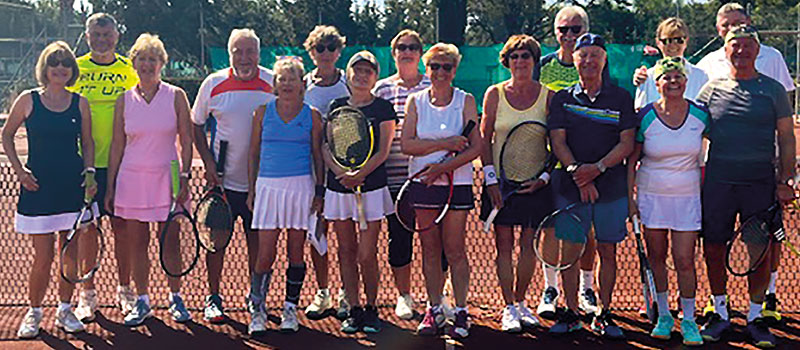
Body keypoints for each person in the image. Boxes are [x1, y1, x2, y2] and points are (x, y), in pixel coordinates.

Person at [696, 25, 795, 349]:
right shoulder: (711, 91)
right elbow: (689, 129)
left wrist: (785, 180)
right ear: (726, 52)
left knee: (759, 252)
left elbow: (786, 136)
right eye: (734, 46)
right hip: (718, 183)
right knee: (713, 246)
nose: (741, 51)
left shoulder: (774, 90)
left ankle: (755, 317)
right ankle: (720, 311)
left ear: (757, 50)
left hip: (760, 184)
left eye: (747, 46)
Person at [3, 41, 96, 338]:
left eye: (65, 63)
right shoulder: (28, 100)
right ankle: (34, 313)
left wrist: (90, 174)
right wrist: (19, 171)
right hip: (38, 187)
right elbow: (6, 135)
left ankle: (64, 310)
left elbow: (88, 142)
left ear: (72, 70)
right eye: (54, 63)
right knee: (43, 257)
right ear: (46, 68)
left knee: (69, 255)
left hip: (71, 186)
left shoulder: (80, 102)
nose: (60, 68)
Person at [547, 33, 635, 339]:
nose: (588, 60)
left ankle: (604, 313)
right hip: (570, 186)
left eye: (595, 54)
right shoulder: (562, 98)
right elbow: (557, 141)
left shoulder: (622, 98)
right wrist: (576, 173)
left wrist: (595, 170)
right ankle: (570, 312)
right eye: (583, 55)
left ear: (604, 59)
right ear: (574, 59)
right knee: (569, 251)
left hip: (610, 186)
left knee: (607, 251)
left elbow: (626, 143)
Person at [105, 33, 193, 327]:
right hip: (131, 178)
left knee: (170, 241)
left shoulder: (177, 95)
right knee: (137, 243)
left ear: (161, 63)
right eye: (141, 59)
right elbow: (118, 144)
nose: (147, 64)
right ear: (134, 63)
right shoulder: (123, 100)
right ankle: (142, 301)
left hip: (168, 176)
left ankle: (176, 297)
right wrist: (111, 184)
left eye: (152, 59)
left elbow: (186, 138)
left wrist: (184, 176)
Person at [192, 28, 275, 323]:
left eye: (250, 51)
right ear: (229, 54)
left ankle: (256, 299)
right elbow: (195, 124)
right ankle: (213, 298)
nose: (244, 57)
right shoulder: (212, 84)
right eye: (237, 51)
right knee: (216, 241)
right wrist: (209, 164)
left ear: (258, 53)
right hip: (222, 183)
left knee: (258, 242)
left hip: (260, 184)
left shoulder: (272, 82)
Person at [402, 43, 481, 339]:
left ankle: (460, 310)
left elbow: (477, 146)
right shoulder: (416, 101)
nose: (440, 72)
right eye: (434, 66)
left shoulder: (466, 101)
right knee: (429, 249)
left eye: (446, 66)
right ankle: (434, 308)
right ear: (427, 68)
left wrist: (444, 168)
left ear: (454, 70)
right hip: (423, 185)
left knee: (455, 249)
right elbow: (407, 145)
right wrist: (444, 145)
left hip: (456, 186)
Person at [627, 57, 708, 346]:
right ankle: (663, 315)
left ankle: (689, 319)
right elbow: (632, 159)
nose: (673, 82)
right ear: (656, 83)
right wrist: (630, 197)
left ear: (686, 81)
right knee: (657, 258)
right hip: (651, 196)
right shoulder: (645, 115)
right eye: (666, 77)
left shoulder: (701, 114)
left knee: (685, 260)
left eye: (678, 77)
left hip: (687, 197)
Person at [372, 29, 451, 321]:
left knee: (438, 241)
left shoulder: (435, 84)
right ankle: (404, 296)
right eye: (401, 47)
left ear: (420, 53)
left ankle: (438, 296)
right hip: (394, 180)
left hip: (432, 177)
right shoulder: (381, 89)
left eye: (413, 47)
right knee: (400, 237)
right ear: (394, 53)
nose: (407, 52)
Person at [66, 13, 139, 322]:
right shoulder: (75, 68)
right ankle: (88, 296)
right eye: (96, 35)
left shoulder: (130, 71)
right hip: (85, 166)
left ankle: (125, 291)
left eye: (107, 35)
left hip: (122, 166)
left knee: (123, 230)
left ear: (116, 37)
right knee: (87, 231)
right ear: (86, 36)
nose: (101, 40)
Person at [532, 5, 603, 318]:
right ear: (555, 33)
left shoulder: (597, 63)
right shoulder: (543, 66)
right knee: (550, 228)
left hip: (586, 164)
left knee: (586, 230)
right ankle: (551, 289)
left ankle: (587, 289)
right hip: (547, 162)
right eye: (564, 30)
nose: (570, 36)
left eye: (576, 30)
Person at [479, 34, 552, 333]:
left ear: (535, 61)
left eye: (526, 56)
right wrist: (491, 180)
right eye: (515, 56)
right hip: (501, 184)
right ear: (507, 61)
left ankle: (522, 303)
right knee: (504, 246)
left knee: (528, 246)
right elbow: (484, 140)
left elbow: (556, 143)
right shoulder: (494, 94)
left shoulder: (549, 96)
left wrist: (544, 177)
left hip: (535, 185)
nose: (520, 61)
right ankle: (508, 306)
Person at [245, 57, 324, 334]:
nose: (287, 83)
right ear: (275, 84)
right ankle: (257, 309)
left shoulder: (312, 115)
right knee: (265, 254)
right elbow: (253, 154)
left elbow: (317, 154)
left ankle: (290, 309)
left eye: (292, 78)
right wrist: (252, 189)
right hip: (268, 187)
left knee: (295, 252)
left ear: (303, 84)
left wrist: (319, 191)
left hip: (301, 187)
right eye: (282, 78)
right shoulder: (261, 112)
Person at [323, 51, 396, 334]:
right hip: (340, 188)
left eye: (368, 71)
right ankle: (353, 308)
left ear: (375, 77)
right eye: (357, 70)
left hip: (372, 189)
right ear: (348, 74)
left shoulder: (383, 108)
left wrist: (361, 174)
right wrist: (341, 174)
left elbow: (384, 150)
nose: (362, 75)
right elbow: (326, 146)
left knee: (367, 254)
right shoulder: (336, 105)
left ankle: (371, 308)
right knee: (346, 251)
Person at [301, 25, 351, 320]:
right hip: (310, 172)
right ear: (311, 52)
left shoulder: (348, 83)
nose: (326, 53)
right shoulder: (304, 84)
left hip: (343, 172)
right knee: (316, 233)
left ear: (339, 50)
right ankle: (323, 292)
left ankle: (347, 292)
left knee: (346, 236)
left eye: (331, 47)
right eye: (320, 48)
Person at [633, 17, 709, 110]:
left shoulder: (701, 77)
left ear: (686, 41)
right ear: (658, 42)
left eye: (679, 40)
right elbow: (640, 113)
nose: (673, 45)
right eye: (667, 40)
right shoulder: (646, 78)